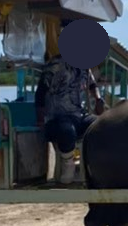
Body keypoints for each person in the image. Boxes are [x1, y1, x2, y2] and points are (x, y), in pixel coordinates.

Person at [35, 25, 106, 184]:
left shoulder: (84, 66)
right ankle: (68, 164)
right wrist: (40, 120)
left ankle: (92, 164)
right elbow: (40, 92)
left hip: (78, 115)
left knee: (101, 125)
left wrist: (98, 99)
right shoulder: (55, 65)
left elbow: (92, 85)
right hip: (57, 117)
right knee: (68, 131)